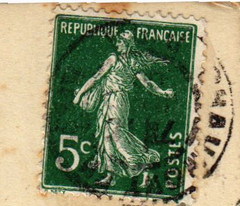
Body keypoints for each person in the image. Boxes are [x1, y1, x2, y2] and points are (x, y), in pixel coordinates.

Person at [73, 29, 174, 188]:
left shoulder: (118, 60)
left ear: (127, 44)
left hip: (117, 100)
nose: (117, 44)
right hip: (110, 100)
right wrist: (162, 92)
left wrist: (79, 95)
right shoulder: (124, 60)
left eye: (120, 42)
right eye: (117, 41)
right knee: (106, 136)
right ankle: (111, 175)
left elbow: (145, 83)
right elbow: (97, 76)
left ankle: (145, 160)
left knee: (115, 133)